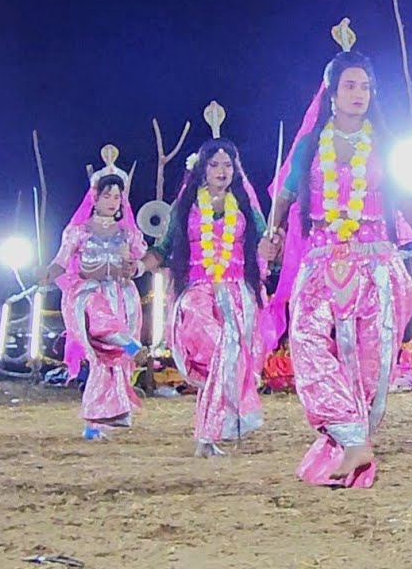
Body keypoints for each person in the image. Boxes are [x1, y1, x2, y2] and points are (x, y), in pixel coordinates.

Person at [267, 20, 412, 488]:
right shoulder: (311, 145)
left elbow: (409, 203)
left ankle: (352, 448)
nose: (359, 93)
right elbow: (286, 196)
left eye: (366, 86)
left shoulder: (385, 144)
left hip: (376, 261)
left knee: (373, 363)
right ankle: (351, 437)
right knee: (307, 341)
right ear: (331, 93)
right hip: (321, 255)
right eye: (350, 85)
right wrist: (271, 234)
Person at [143, 104, 280, 457]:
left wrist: (271, 246)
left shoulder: (246, 207)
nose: (221, 171)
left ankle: (207, 437)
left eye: (227, 165)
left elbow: (267, 245)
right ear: (202, 168)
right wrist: (142, 264)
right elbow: (163, 246)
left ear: (236, 170)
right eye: (215, 164)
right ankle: (224, 423)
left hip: (238, 295)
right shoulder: (186, 206)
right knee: (222, 349)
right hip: (197, 292)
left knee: (231, 354)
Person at [44, 148, 147, 440]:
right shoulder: (78, 232)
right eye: (107, 196)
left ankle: (95, 423)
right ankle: (127, 344)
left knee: (108, 364)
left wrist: (135, 267)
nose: (113, 201)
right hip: (88, 294)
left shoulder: (129, 233)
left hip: (122, 296)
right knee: (96, 312)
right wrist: (47, 274)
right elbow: (61, 261)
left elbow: (145, 261)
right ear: (95, 198)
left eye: (117, 197)